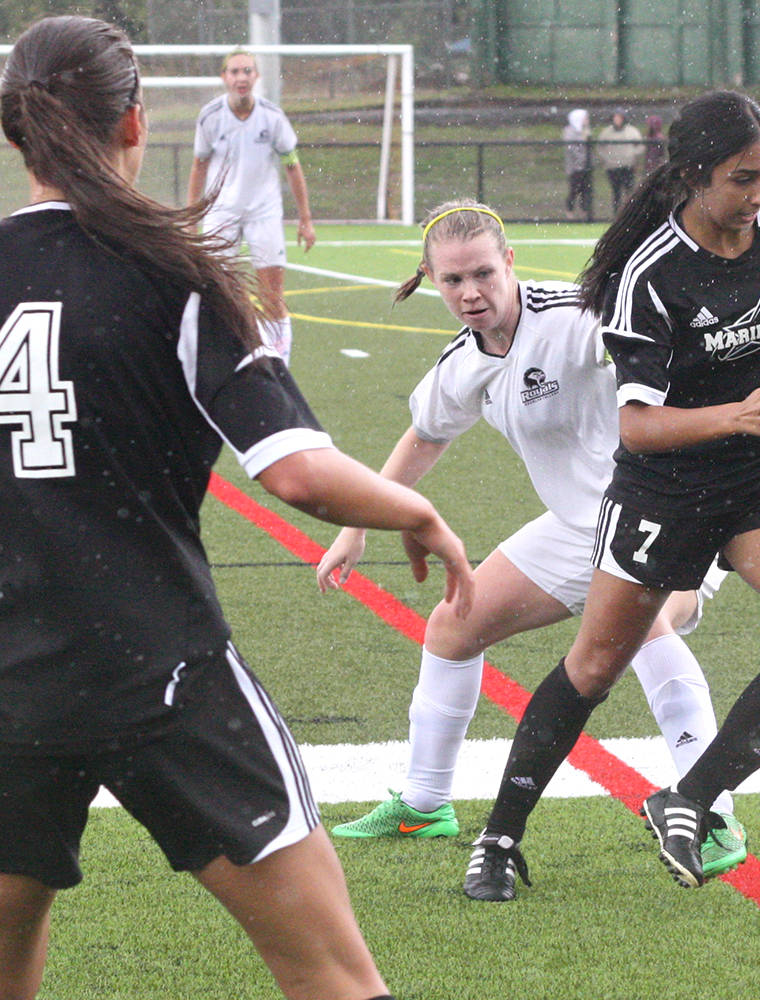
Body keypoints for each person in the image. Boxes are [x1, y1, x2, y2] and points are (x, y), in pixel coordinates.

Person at [0, 16, 475, 1000]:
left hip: (10, 679)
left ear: (16, 136)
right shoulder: (174, 272)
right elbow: (297, 471)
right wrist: (416, 513)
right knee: (332, 971)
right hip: (160, 671)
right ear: (136, 125)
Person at [458, 90, 760, 897]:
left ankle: (689, 796)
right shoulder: (648, 276)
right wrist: (737, 412)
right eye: (741, 179)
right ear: (692, 175)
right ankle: (499, 839)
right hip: (666, 491)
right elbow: (640, 427)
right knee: (595, 665)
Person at [315, 199, 748, 901]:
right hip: (579, 528)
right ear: (432, 280)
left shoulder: (574, 320)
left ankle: (714, 812)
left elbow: (661, 336)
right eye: (452, 281)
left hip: (667, 510)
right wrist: (358, 523)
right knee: (454, 627)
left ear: (510, 263)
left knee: (644, 627)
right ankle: (425, 805)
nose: (471, 293)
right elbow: (426, 435)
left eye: (483, 273)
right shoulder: (463, 364)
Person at [187, 49, 314, 364]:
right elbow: (199, 165)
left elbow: (292, 166)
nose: (241, 77)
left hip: (264, 211)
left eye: (247, 71)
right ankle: (231, 354)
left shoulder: (272, 117)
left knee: (272, 293)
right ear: (224, 77)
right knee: (220, 289)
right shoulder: (210, 116)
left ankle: (278, 359)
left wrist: (305, 219)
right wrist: (192, 218)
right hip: (221, 211)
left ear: (256, 77)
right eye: (234, 71)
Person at [597, 108, 645, 214]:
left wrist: (632, 154)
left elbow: (640, 146)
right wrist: (606, 157)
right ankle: (616, 214)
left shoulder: (632, 131)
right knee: (616, 192)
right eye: (615, 117)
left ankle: (629, 213)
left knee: (629, 191)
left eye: (619, 117)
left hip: (628, 166)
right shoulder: (606, 132)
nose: (617, 120)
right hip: (612, 166)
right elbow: (600, 147)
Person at [562, 108, 593, 221]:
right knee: (574, 190)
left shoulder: (585, 131)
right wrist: (582, 160)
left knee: (585, 191)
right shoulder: (570, 132)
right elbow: (574, 151)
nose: (587, 120)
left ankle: (584, 213)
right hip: (575, 168)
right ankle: (570, 212)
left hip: (585, 168)